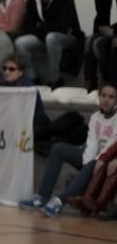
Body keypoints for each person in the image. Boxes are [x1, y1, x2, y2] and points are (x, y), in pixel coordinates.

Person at [21, 84, 117, 217]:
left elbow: (111, 146)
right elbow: (92, 143)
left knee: (92, 163)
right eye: (103, 96)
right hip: (91, 159)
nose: (106, 100)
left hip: (106, 161)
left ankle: (60, 200)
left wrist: (95, 162)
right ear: (99, 97)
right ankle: (42, 196)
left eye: (111, 97)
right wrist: (87, 165)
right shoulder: (95, 117)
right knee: (58, 149)